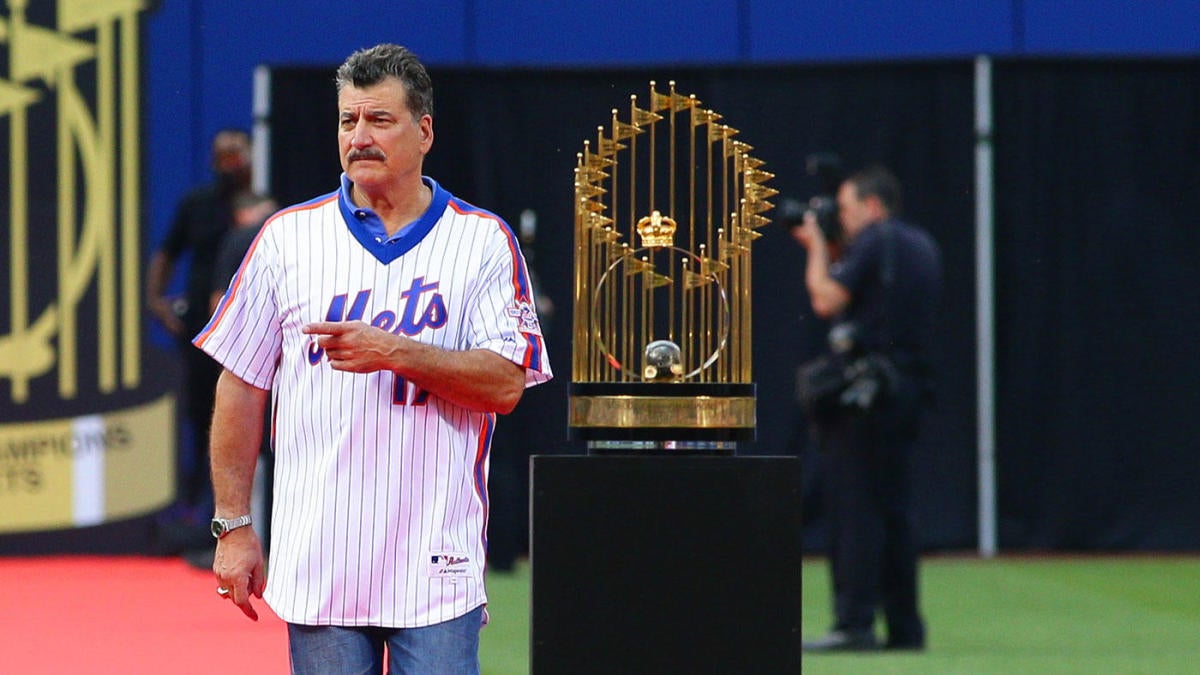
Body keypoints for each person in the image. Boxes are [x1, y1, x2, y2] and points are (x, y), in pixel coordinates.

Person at [194, 44, 552, 674]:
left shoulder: (482, 242)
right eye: (347, 121)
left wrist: (396, 351)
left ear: (425, 131)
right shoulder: (286, 239)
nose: (359, 136)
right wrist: (233, 525)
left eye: (379, 120)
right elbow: (240, 386)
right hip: (321, 558)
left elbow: (504, 384)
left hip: (436, 564)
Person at [793, 165, 943, 652]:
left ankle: (853, 623)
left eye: (847, 209)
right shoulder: (919, 245)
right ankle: (905, 626)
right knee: (895, 510)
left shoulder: (875, 242)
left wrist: (817, 247)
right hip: (907, 391)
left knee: (854, 508)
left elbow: (826, 298)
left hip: (866, 396)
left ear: (873, 206)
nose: (843, 219)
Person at [146, 128, 252, 530]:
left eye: (236, 155)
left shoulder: (265, 207)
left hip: (250, 334)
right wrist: (155, 300)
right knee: (200, 415)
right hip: (202, 333)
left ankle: (253, 510)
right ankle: (198, 510)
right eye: (222, 157)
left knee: (247, 415)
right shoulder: (197, 205)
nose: (230, 164)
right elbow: (167, 252)